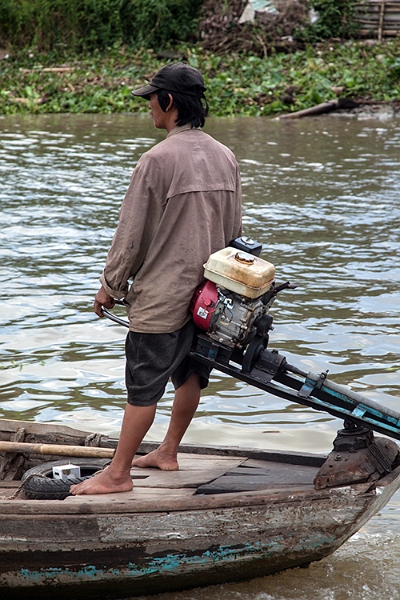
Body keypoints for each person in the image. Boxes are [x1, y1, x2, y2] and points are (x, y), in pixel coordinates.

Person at [71, 62, 242, 495]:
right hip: (209, 298)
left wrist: (111, 286)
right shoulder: (226, 156)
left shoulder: (156, 160)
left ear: (167, 102)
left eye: (151, 98)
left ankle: (118, 474)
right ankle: (167, 450)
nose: (148, 107)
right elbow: (235, 234)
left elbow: (132, 235)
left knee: (143, 384)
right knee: (188, 376)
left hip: (164, 297)